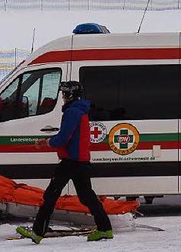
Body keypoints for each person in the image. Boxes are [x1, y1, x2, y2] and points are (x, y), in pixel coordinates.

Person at [16, 81, 113, 244]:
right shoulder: (80, 110)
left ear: (70, 95)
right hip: (80, 161)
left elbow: (62, 138)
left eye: (64, 94)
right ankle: (105, 229)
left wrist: (46, 142)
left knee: (51, 196)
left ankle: (37, 232)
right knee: (87, 197)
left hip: (70, 162)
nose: (62, 97)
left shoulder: (72, 112)